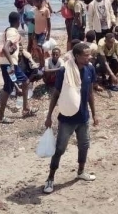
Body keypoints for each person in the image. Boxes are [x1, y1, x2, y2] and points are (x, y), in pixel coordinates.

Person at [43, 42, 98, 194]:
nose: (89, 57)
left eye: (89, 54)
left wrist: (94, 114)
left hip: (83, 117)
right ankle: (50, 178)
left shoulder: (90, 69)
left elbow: (90, 94)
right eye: (86, 55)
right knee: (60, 149)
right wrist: (49, 116)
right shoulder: (64, 70)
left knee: (84, 145)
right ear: (77, 56)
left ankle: (81, 172)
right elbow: (56, 94)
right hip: (67, 119)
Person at [0, 11, 38, 123]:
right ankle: (20, 110)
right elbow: (5, 48)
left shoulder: (6, 31)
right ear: (19, 21)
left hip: (5, 63)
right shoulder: (13, 32)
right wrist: (11, 64)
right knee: (15, 86)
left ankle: (23, 109)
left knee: (13, 86)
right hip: (10, 64)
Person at [33, 0, 51, 70]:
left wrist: (48, 33)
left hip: (43, 32)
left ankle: (42, 64)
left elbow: (49, 22)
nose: (34, 3)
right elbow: (35, 22)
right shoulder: (35, 10)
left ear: (40, 2)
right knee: (39, 49)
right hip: (36, 32)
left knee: (39, 48)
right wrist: (33, 33)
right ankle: (41, 63)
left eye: (35, 2)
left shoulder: (46, 10)